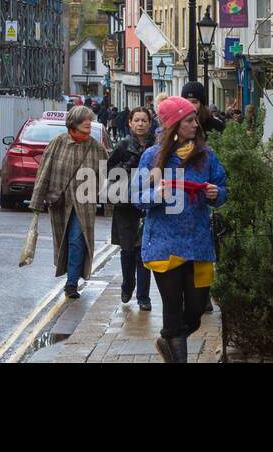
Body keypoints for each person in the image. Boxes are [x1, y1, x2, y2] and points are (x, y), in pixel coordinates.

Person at [133, 96, 228, 363]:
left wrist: (215, 193)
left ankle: (167, 338)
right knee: (172, 309)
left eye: (194, 119)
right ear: (174, 124)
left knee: (196, 311)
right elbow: (137, 197)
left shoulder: (206, 156)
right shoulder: (152, 157)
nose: (195, 125)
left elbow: (223, 190)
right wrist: (157, 193)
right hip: (165, 245)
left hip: (198, 244)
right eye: (188, 120)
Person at [28, 105, 109, 299]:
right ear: (73, 123)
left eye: (90, 119)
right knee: (63, 241)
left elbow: (108, 175)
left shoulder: (96, 147)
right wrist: (36, 202)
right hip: (60, 202)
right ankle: (70, 275)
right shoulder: (58, 142)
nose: (89, 123)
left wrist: (110, 203)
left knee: (76, 240)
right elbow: (44, 172)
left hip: (84, 203)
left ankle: (71, 283)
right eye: (84, 120)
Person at [108, 106, 154, 310]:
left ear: (150, 123)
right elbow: (109, 171)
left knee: (144, 254)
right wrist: (126, 168)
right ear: (130, 123)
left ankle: (144, 297)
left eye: (144, 120)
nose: (141, 124)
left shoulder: (156, 147)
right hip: (125, 206)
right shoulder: (123, 145)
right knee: (127, 251)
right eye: (137, 120)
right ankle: (128, 285)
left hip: (148, 206)